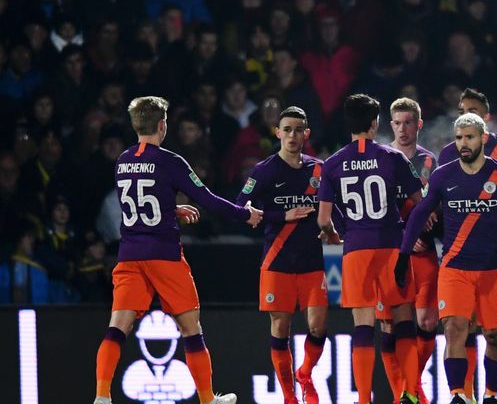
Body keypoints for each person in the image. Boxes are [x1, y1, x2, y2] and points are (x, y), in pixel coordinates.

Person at [92, 96, 263, 404]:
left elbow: (144, 201)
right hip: (164, 255)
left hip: (130, 255)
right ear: (162, 125)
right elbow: (208, 199)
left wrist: (172, 208)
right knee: (190, 328)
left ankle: (102, 397)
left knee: (117, 326)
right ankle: (208, 399)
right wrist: (245, 214)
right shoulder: (171, 161)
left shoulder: (123, 160)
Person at [400, 113, 497, 404]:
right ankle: (458, 394)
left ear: (483, 138)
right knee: (454, 329)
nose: (463, 143)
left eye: (469, 137)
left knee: (496, 334)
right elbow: (421, 213)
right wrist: (403, 253)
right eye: (459, 137)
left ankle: (490, 395)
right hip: (454, 269)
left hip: (492, 269)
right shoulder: (443, 174)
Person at [317, 94, 422, 404]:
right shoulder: (393, 158)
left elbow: (323, 219)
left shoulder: (333, 163)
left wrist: (337, 232)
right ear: (376, 123)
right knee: (402, 319)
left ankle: (364, 399)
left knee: (363, 325)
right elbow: (420, 203)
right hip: (392, 246)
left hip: (357, 249)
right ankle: (411, 394)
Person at [437, 88, 497, 404]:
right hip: (463, 258)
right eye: (462, 110)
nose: (467, 114)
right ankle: (467, 393)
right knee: (463, 326)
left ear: (486, 118)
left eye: (474, 110)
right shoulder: (450, 153)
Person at [235, 106, 328, 404]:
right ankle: (290, 397)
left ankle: (306, 373)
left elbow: (332, 205)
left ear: (306, 134)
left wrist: (333, 228)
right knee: (281, 327)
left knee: (318, 327)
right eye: (286, 129)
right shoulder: (264, 170)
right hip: (277, 260)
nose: (292, 135)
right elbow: (241, 208)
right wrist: (281, 215)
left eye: (298, 130)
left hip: (312, 260)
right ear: (277, 133)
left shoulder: (318, 169)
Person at [377, 97, 439, 403]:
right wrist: (404, 235)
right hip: (391, 253)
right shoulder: (381, 159)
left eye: (409, 123)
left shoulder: (431, 162)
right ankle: (408, 394)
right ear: (391, 125)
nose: (403, 129)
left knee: (428, 322)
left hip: (424, 252)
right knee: (391, 326)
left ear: (419, 125)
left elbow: (439, 205)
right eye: (398, 123)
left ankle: (411, 387)